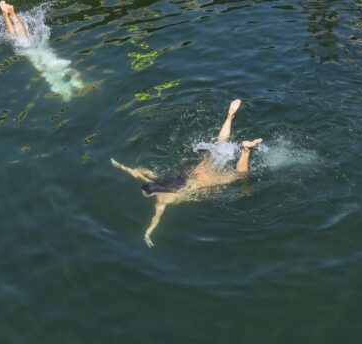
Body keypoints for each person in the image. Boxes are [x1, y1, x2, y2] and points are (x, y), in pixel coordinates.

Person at [112, 99, 262, 248]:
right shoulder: (159, 180)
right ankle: (229, 116)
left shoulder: (162, 201)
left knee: (239, 176)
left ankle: (246, 151)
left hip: (204, 183)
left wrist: (148, 233)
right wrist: (121, 166)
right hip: (196, 172)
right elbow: (138, 173)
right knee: (217, 146)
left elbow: (156, 218)